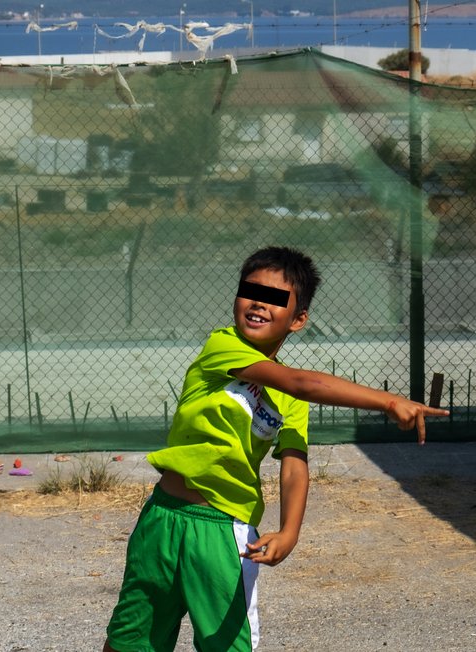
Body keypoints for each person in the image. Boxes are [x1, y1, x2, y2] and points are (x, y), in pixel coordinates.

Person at [102, 246, 448, 652]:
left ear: (298, 319)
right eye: (251, 291)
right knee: (130, 641)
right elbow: (299, 380)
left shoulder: (289, 400)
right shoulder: (222, 346)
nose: (259, 304)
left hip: (223, 534)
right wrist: (388, 401)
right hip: (162, 519)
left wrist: (290, 531)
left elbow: (294, 465)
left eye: (275, 299)